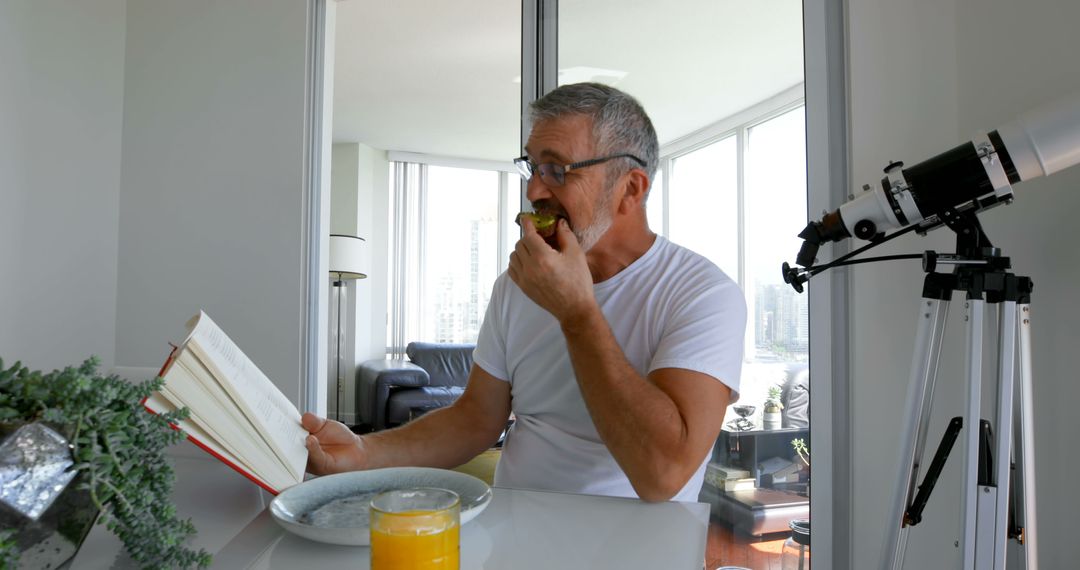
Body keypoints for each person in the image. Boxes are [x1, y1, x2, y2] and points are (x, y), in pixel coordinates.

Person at [302, 82, 746, 502]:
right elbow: (475, 419)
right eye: (533, 167)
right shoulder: (519, 285)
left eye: (557, 170)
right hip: (513, 536)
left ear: (630, 188)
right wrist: (362, 452)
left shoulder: (702, 294)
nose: (534, 190)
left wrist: (577, 314)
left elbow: (663, 473)